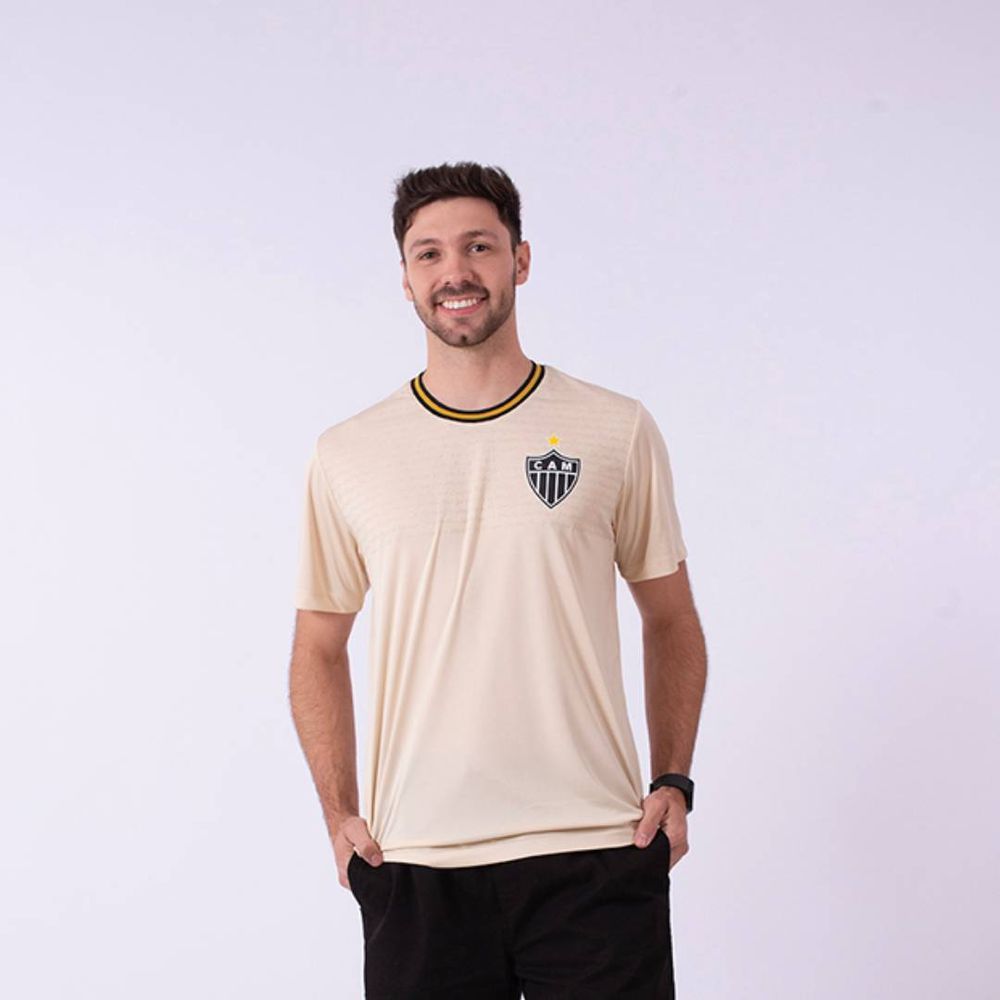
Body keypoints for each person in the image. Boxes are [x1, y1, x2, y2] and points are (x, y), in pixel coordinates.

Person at [288, 161, 708, 999]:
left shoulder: (615, 428)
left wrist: (673, 780)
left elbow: (671, 618)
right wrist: (339, 815)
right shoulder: (348, 454)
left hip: (595, 852)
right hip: (416, 861)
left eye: (478, 247)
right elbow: (316, 647)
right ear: (405, 278)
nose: (456, 271)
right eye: (430, 253)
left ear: (520, 259)